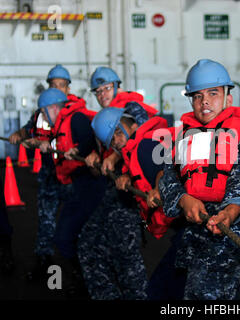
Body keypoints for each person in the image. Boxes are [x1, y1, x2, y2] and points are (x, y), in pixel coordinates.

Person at [158, 59, 240, 300]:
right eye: (197, 96)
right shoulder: (183, 137)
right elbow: (168, 176)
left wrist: (231, 210)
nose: (204, 101)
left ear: (228, 98)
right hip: (202, 246)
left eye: (213, 93)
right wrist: (183, 199)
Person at [78, 107, 170, 299]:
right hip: (175, 221)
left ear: (135, 125)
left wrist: (158, 187)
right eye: (112, 140)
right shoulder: (131, 152)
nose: (117, 142)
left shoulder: (145, 145)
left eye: (119, 133)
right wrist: (127, 175)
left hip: (191, 221)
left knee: (162, 284)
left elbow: (165, 166)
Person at [8, 64, 83, 281]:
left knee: (75, 224)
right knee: (46, 219)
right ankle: (45, 263)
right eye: (53, 85)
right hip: (50, 174)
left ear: (68, 88)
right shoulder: (41, 112)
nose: (58, 89)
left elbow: (81, 141)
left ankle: (77, 268)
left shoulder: (76, 113)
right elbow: (29, 128)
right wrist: (19, 134)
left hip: (72, 177)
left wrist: (46, 142)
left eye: (62, 85)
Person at [36, 88, 106, 297]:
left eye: (44, 111)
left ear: (53, 107)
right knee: (67, 236)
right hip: (77, 185)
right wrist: (47, 148)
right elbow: (56, 161)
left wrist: (77, 151)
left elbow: (87, 142)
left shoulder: (76, 119)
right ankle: (83, 279)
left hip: (90, 185)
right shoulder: (58, 128)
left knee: (69, 236)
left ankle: (87, 282)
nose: (43, 116)